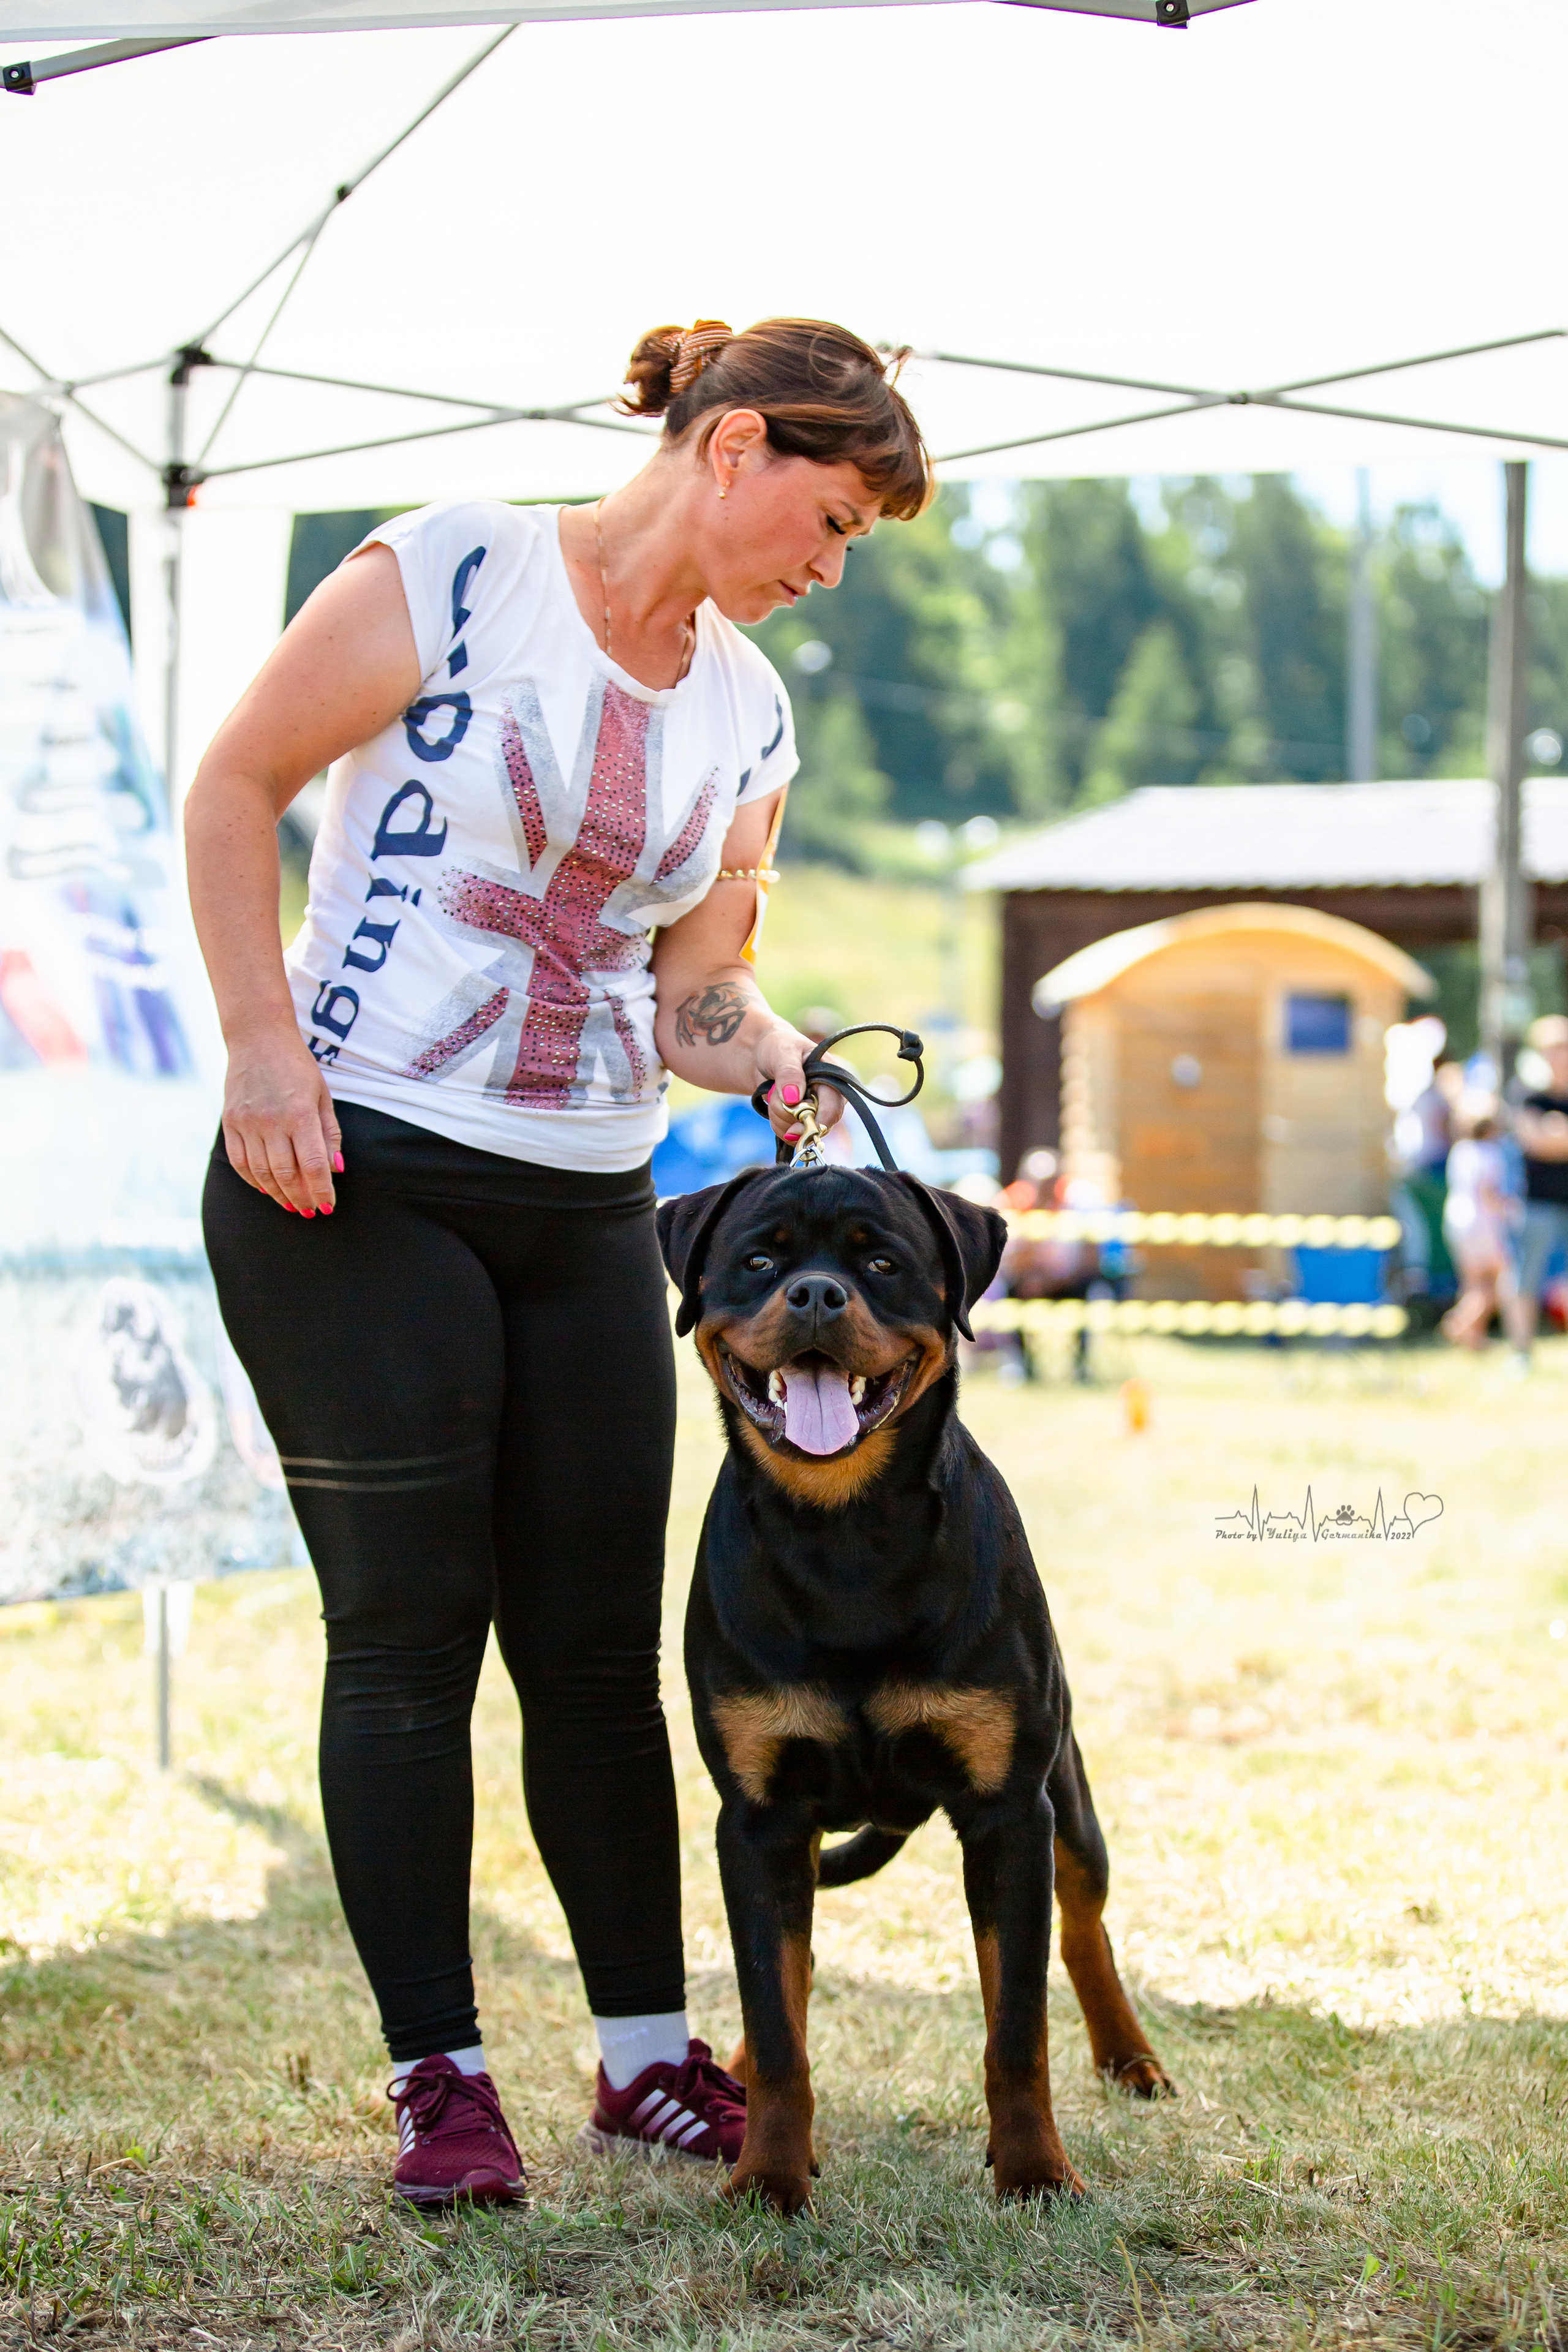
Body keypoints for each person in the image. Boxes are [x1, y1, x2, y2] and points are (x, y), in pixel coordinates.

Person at [184, 318, 932, 2207]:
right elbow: (234, 786)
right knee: (412, 1628)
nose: (825, 567)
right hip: (353, 1169)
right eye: (827, 520)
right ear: (733, 444)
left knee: (599, 1650)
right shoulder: (460, 566)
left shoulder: (750, 708)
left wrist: (776, 1058)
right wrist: (263, 1051)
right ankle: (442, 2080)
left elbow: (693, 991)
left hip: (589, 1195)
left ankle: (635, 2057)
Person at [1503, 1014, 1568, 1370]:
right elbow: (1534, 1141)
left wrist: (1556, 1134)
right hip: (1539, 1203)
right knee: (1525, 1278)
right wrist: (1550, 1137)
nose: (1561, 1056)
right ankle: (1521, 1353)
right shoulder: (1528, 1094)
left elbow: (1549, 1141)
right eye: (1554, 1049)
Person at [1439, 1103, 1514, 1351]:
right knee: (1495, 1281)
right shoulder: (1490, 1153)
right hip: (1484, 1223)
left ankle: (1474, 1338)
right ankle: (1460, 1323)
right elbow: (1488, 1191)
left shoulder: (1460, 1150)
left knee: (1472, 1282)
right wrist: (1510, 1210)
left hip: (1457, 1220)